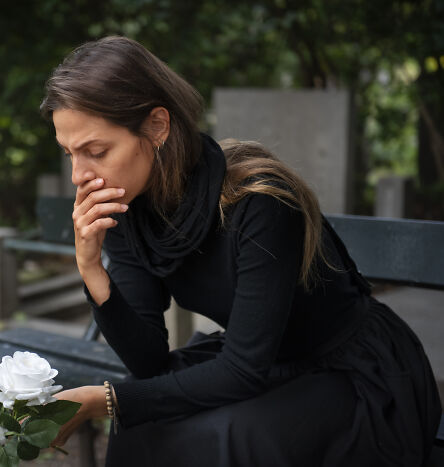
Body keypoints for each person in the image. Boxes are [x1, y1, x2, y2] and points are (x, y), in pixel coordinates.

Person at [39, 36, 442, 466]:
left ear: (157, 125)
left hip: (350, 373)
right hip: (261, 365)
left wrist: (106, 399)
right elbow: (149, 360)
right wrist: (91, 268)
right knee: (143, 423)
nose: (79, 175)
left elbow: (243, 370)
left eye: (95, 151)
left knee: (218, 436)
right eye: (69, 154)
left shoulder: (259, 201)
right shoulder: (126, 210)